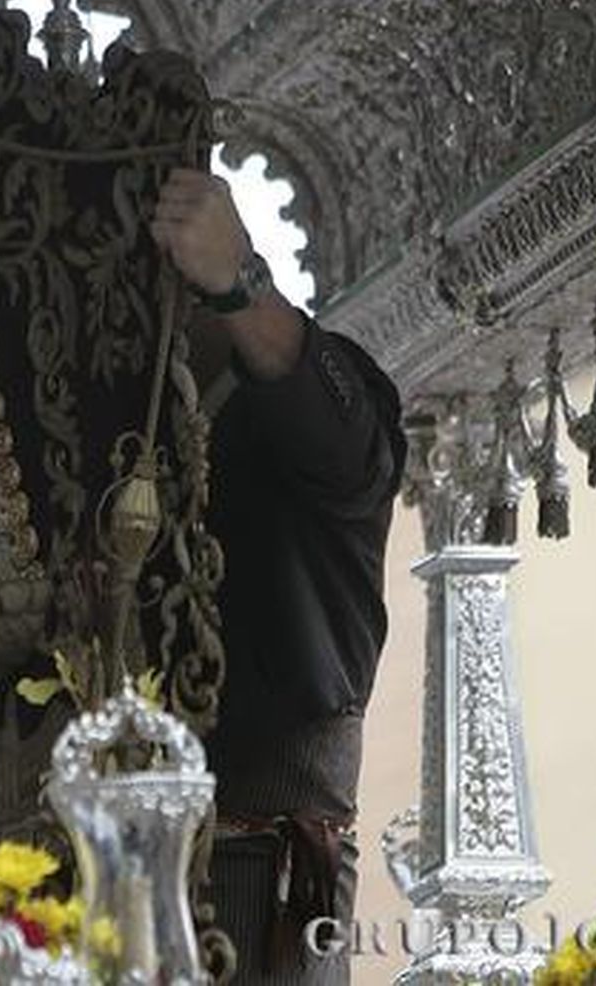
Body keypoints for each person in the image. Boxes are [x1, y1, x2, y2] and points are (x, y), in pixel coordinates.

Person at [150, 168, 406, 985]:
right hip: (116, 874)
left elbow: (336, 435)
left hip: (261, 879)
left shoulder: (327, 393)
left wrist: (237, 283)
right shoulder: (129, 425)